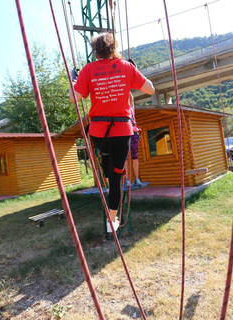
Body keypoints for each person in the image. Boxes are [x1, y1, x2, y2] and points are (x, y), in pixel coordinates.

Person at [70, 33, 155, 233]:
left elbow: (75, 98)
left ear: (95, 51)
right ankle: (112, 220)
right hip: (122, 131)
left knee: (107, 160)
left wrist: (74, 80)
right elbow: (150, 90)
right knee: (117, 176)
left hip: (99, 132)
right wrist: (135, 70)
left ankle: (107, 170)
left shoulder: (89, 70)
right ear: (114, 48)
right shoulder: (125, 67)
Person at [124, 93, 143, 188]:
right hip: (124, 134)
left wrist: (126, 86)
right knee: (125, 158)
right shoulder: (120, 109)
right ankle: (127, 180)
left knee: (134, 156)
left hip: (133, 133)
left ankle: (137, 178)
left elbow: (131, 97)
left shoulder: (131, 107)